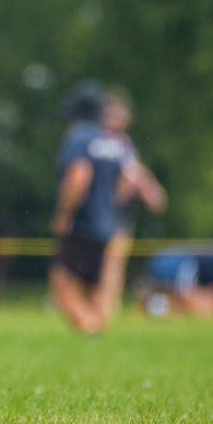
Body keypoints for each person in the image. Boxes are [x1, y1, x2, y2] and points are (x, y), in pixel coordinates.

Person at [49, 81, 137, 335]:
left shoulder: (79, 137)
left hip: (82, 223)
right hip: (107, 225)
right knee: (92, 285)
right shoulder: (111, 141)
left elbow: (79, 177)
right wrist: (111, 211)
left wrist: (64, 213)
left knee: (61, 280)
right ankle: (98, 329)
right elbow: (126, 181)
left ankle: (90, 327)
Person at [96, 89, 167, 319]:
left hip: (118, 215)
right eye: (113, 114)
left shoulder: (124, 144)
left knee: (115, 261)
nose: (118, 120)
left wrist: (150, 189)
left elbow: (135, 172)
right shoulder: (99, 140)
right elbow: (128, 176)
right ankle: (100, 305)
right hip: (102, 212)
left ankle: (109, 306)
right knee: (103, 261)